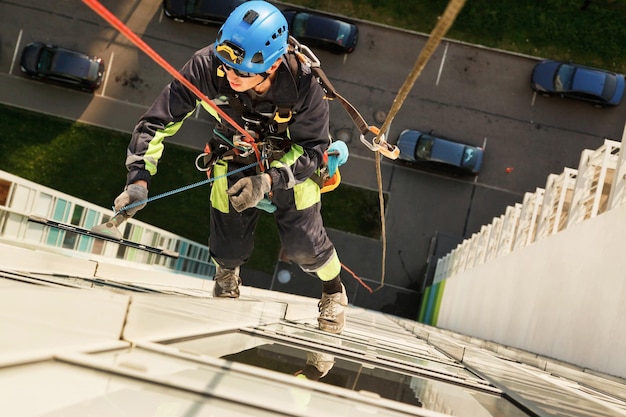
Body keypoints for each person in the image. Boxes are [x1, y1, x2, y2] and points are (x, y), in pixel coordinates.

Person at [112, 1, 348, 333]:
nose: (231, 76)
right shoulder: (208, 66)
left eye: (243, 72)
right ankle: (227, 273)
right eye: (227, 66)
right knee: (227, 245)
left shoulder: (304, 87)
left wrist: (268, 181)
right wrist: (138, 180)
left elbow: (313, 151)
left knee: (303, 245)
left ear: (274, 64)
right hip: (234, 155)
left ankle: (333, 290)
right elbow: (156, 123)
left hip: (289, 164)